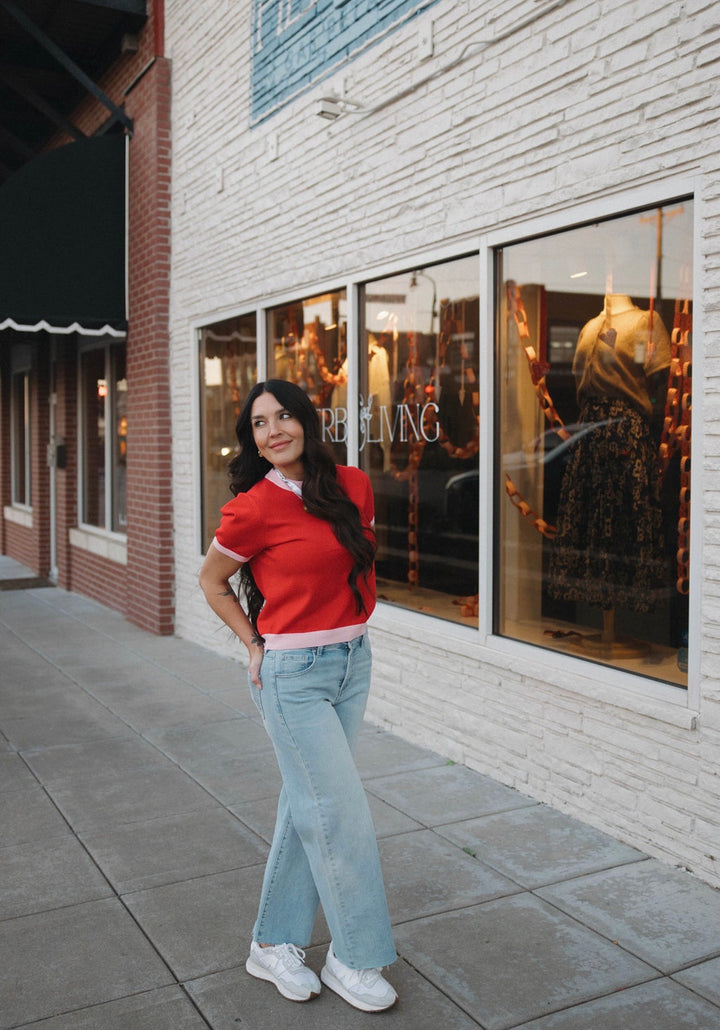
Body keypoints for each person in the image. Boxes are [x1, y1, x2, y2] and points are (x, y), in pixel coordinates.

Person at [198, 379, 398, 1012]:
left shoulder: (354, 486)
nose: (273, 430)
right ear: (252, 438)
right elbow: (212, 582)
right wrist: (254, 646)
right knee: (340, 814)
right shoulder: (253, 508)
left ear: (308, 422)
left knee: (307, 805)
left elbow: (357, 567)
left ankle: (273, 943)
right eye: (259, 423)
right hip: (292, 674)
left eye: (284, 416)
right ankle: (355, 956)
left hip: (352, 663)